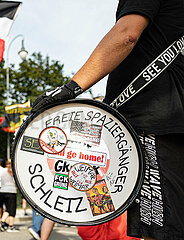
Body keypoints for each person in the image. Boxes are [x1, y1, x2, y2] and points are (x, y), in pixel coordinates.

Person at [31, 0, 184, 239]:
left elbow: (127, 34)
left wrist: (71, 88)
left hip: (150, 121)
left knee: (158, 228)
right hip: (159, 122)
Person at [0, 159, 18, 232]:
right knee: (12, 209)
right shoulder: (13, 171)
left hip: (2, 191)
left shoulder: (2, 171)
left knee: (7, 209)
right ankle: (11, 226)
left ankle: (2, 222)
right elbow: (16, 181)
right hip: (11, 191)